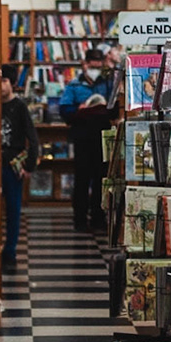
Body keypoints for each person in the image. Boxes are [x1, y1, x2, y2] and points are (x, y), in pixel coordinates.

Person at [58, 47, 114, 232]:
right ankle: (80, 219)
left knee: (100, 179)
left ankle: (98, 217)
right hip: (82, 137)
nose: (95, 69)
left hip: (102, 136)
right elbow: (64, 110)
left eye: (98, 66)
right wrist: (79, 109)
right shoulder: (74, 85)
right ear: (85, 64)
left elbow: (115, 107)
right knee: (82, 178)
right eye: (92, 65)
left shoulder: (107, 84)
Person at [0, 64, 40, 276]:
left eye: (4, 81)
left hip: (12, 164)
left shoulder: (19, 106)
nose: (0, 85)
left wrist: (29, 165)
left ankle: (10, 251)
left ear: (12, 83)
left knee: (13, 209)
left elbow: (33, 138)